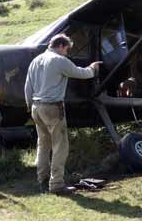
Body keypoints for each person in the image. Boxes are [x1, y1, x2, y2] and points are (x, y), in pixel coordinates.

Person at [24, 33, 102, 194]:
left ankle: (42, 181)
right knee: (60, 145)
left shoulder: (36, 61)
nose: (67, 52)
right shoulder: (59, 60)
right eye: (67, 49)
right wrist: (93, 69)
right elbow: (80, 73)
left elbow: (27, 87)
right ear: (61, 46)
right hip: (53, 108)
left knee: (43, 145)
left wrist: (29, 106)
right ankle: (57, 184)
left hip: (36, 107)